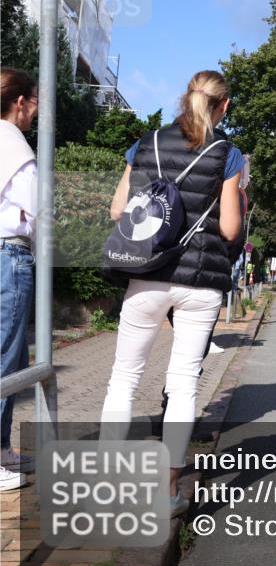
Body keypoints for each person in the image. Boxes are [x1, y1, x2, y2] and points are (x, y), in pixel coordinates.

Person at [101, 70, 244, 516]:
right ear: (224, 107)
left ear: (186, 97)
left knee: (124, 378)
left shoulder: (145, 143)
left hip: (147, 273)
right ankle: (167, 493)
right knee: (183, 385)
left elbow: (118, 210)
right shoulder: (228, 154)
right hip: (200, 283)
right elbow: (229, 229)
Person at [0, 68, 39, 491]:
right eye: (35, 100)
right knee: (6, 356)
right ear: (21, 102)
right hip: (9, 253)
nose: (37, 110)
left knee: (9, 356)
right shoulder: (13, 144)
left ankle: (2, 448)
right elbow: (35, 208)